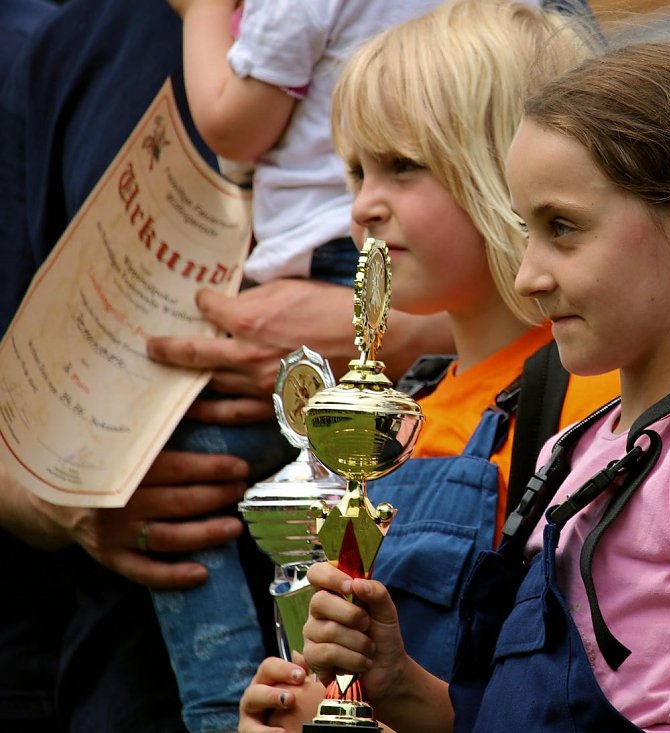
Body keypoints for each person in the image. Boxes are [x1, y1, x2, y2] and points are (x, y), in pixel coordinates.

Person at [294, 38, 670, 733]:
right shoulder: (576, 447)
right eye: (528, 232)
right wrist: (396, 680)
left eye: (563, 229)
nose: (529, 275)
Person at [0, 0, 449, 731]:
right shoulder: (68, 45)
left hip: (428, 641)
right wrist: (73, 498)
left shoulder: (499, 22)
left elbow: (574, 287)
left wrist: (392, 334)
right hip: (128, 655)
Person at [237, 1, 617, 729]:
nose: (364, 206)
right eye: (353, 172)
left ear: (513, 164)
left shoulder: (593, 402)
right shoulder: (399, 411)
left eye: (401, 166)